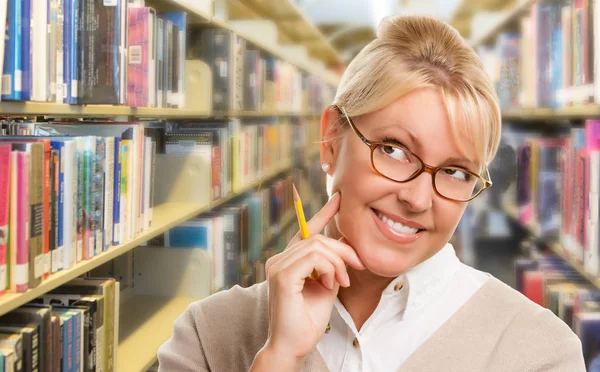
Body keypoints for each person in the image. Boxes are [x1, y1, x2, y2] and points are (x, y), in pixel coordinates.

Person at [157, 14, 585, 371]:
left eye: (455, 171)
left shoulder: (539, 352)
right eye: (394, 150)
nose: (418, 199)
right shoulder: (208, 336)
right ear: (330, 140)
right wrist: (279, 358)